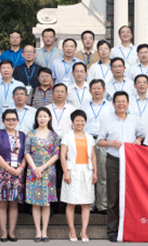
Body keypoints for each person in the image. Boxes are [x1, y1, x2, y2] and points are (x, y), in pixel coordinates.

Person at [97, 91, 144, 243]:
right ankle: (112, 231)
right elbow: (100, 141)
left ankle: (130, 228)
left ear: (128, 103)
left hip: (131, 162)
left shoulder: (134, 119)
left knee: (132, 196)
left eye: (124, 101)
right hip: (114, 161)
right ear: (113, 104)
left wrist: (138, 139)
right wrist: (111, 143)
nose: (121, 104)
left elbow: (141, 135)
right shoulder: (107, 120)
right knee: (113, 197)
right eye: (118, 101)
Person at [60, 110, 97, 243]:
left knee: (85, 203)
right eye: (77, 120)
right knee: (71, 202)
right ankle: (72, 230)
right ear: (72, 122)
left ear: (85, 122)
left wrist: (95, 172)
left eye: (82, 120)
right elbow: (62, 155)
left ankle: (84, 231)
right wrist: (65, 172)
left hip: (86, 170)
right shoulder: (67, 136)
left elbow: (93, 156)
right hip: (72, 170)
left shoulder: (89, 137)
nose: (79, 123)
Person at [25, 107, 60, 242]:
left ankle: (44, 231)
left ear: (49, 118)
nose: (42, 119)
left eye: (45, 116)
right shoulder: (30, 134)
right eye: (40, 116)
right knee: (35, 202)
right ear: (36, 118)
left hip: (48, 171)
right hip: (33, 171)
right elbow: (27, 152)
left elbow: (56, 154)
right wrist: (35, 168)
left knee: (46, 203)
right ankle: (37, 231)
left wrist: (43, 167)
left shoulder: (54, 135)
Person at [0, 109, 27, 242]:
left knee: (13, 203)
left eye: (13, 119)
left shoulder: (22, 135)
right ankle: (3, 232)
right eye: (8, 119)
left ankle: (11, 232)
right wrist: (8, 168)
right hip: (1, 171)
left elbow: (26, 154)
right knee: (2, 203)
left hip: (18, 172)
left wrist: (21, 168)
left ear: (17, 121)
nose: (11, 122)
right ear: (3, 121)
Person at [81, 79, 113, 214]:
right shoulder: (84, 106)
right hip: (87, 141)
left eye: (99, 88)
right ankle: (89, 204)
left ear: (104, 90)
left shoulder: (110, 106)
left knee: (102, 174)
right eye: (94, 88)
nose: (97, 91)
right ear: (90, 91)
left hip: (103, 142)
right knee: (87, 173)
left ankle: (102, 204)